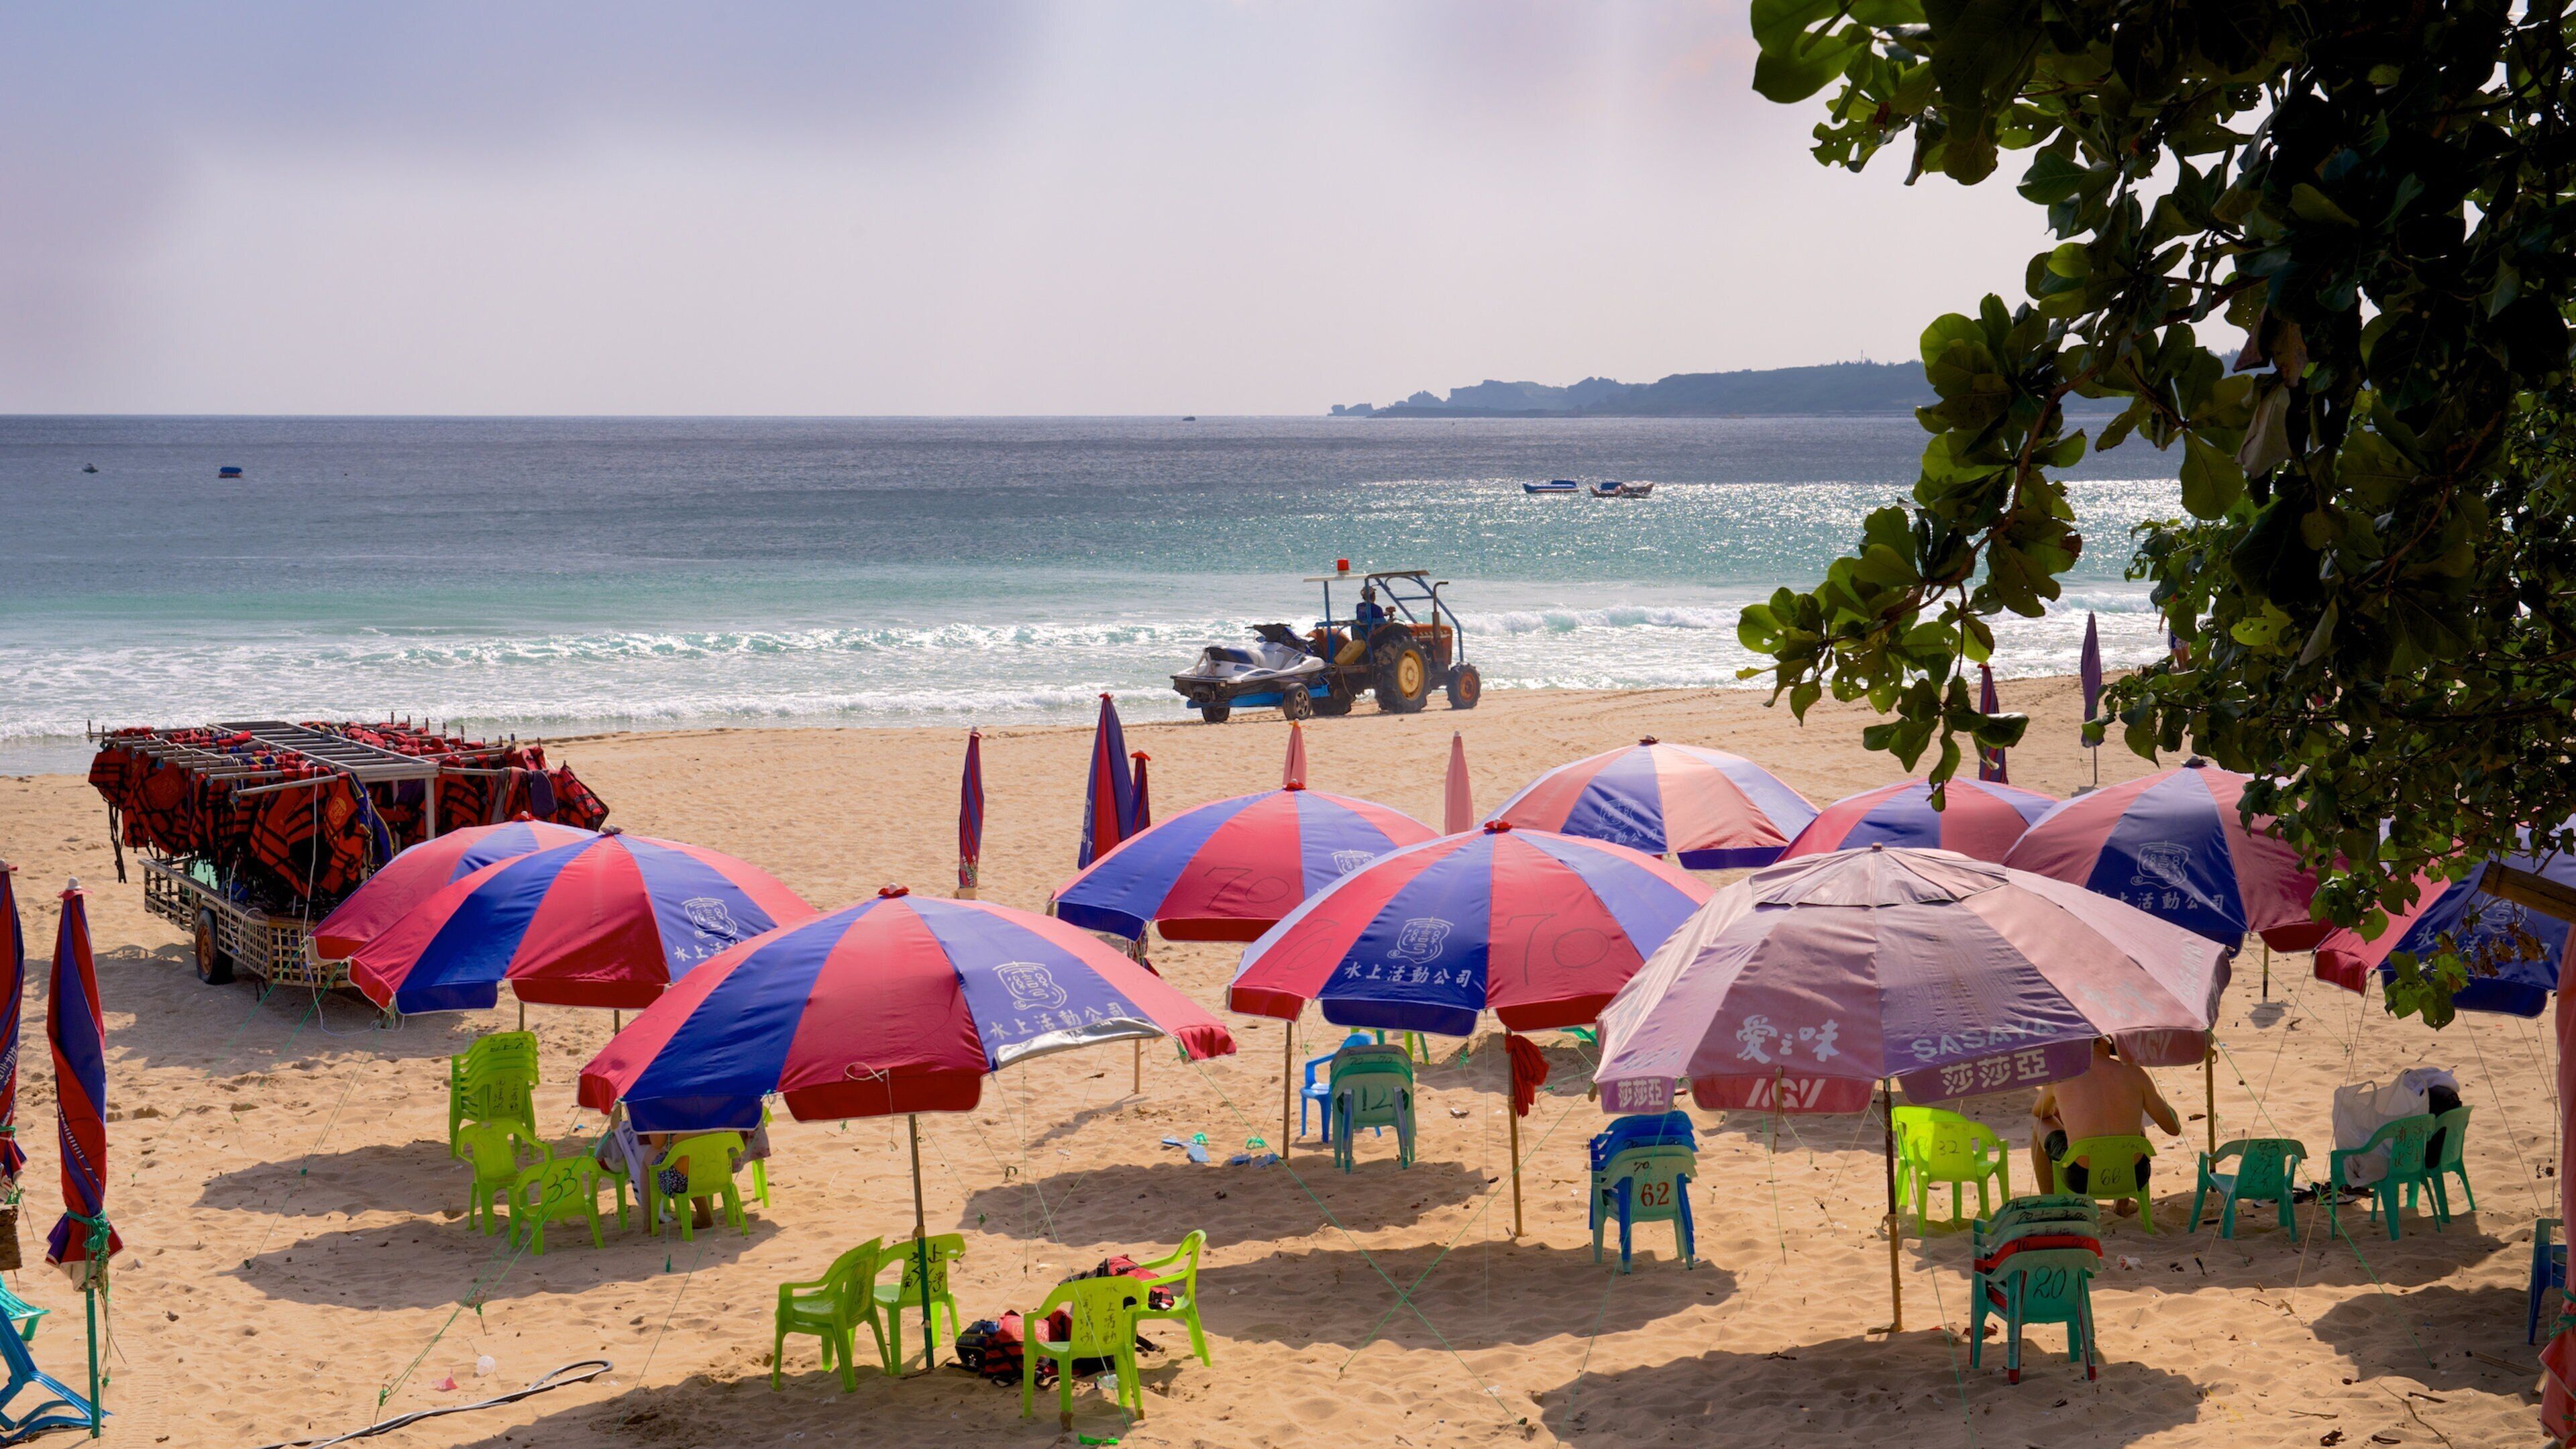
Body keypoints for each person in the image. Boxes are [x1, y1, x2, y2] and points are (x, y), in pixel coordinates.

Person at [2029, 1038, 2182, 1212]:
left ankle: (2051, 1205)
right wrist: (2146, 1094)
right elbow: (2174, 1127)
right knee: (2135, 1122)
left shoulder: (2063, 1077)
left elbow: (2039, 1112)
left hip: (2080, 1177)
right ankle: (2122, 1203)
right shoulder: (2134, 1073)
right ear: (2105, 1040)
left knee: (2040, 1123)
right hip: (2133, 1175)